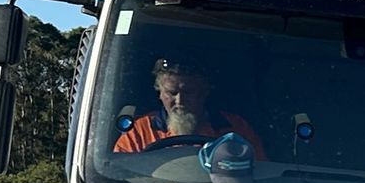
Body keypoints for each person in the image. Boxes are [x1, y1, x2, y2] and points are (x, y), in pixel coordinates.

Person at [113, 58, 264, 155]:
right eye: (172, 93)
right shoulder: (139, 131)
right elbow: (121, 177)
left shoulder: (236, 128)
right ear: (159, 93)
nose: (180, 101)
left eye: (188, 92)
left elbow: (258, 172)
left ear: (204, 93)